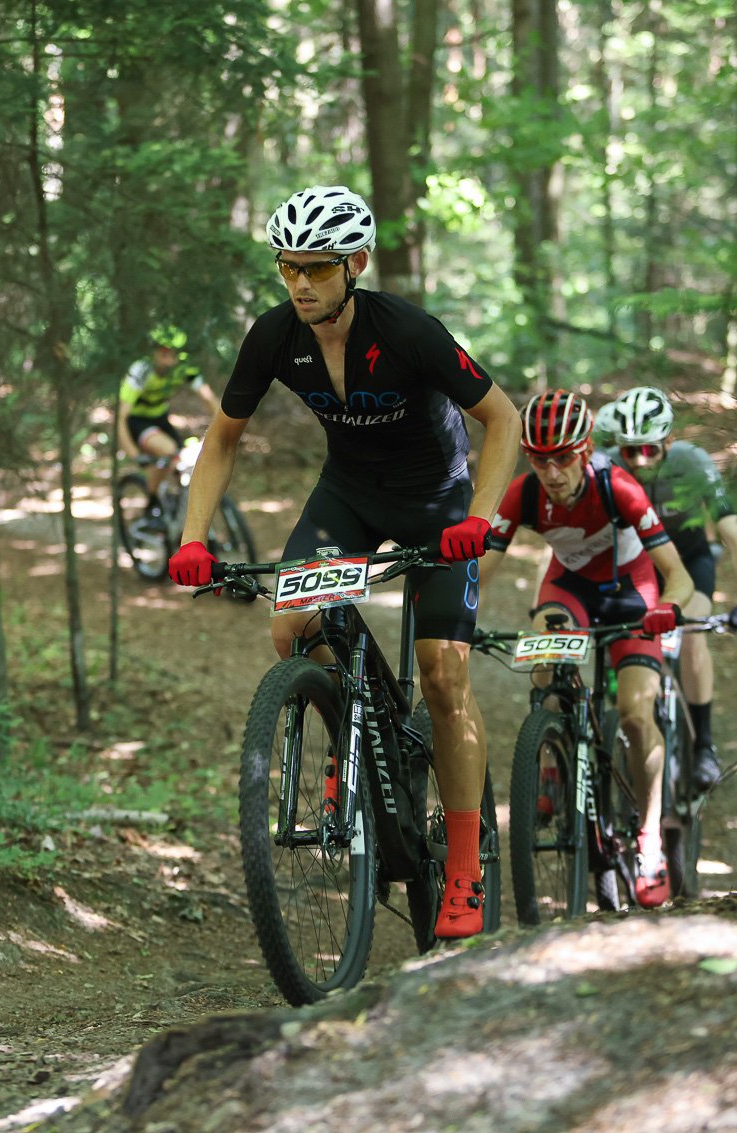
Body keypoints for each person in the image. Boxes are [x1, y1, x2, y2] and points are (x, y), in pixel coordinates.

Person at [166, 184, 523, 940]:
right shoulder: (273, 337)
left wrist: (482, 520)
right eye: (288, 266)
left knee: (444, 672)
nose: (300, 282)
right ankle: (348, 725)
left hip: (438, 502)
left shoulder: (408, 331)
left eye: (318, 268)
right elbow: (222, 437)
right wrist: (194, 538)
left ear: (354, 263)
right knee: (292, 626)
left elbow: (502, 419)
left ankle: (464, 863)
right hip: (350, 497)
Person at [477, 388, 694, 908]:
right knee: (545, 664)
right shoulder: (524, 494)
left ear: (586, 450)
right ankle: (551, 759)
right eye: (539, 460)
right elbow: (479, 570)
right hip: (569, 586)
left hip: (631, 592)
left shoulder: (618, 487)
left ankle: (648, 841)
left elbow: (678, 577)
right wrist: (453, 612)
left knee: (637, 714)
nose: (552, 473)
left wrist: (669, 608)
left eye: (564, 459)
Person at [601, 386, 737, 792]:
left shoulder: (693, 464)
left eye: (650, 450)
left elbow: (735, 536)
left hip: (690, 560)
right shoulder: (606, 467)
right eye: (629, 451)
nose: (639, 461)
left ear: (669, 442)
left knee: (692, 636)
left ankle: (704, 745)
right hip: (637, 566)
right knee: (615, 637)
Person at [116, 326, 221, 524]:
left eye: (173, 352)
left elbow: (209, 398)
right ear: (154, 351)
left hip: (161, 418)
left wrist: (225, 429)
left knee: (182, 460)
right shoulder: (141, 370)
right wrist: (134, 453)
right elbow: (121, 417)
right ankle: (152, 505)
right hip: (137, 421)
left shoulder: (183, 367)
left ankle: (173, 506)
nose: (169, 356)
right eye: (163, 351)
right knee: (169, 451)